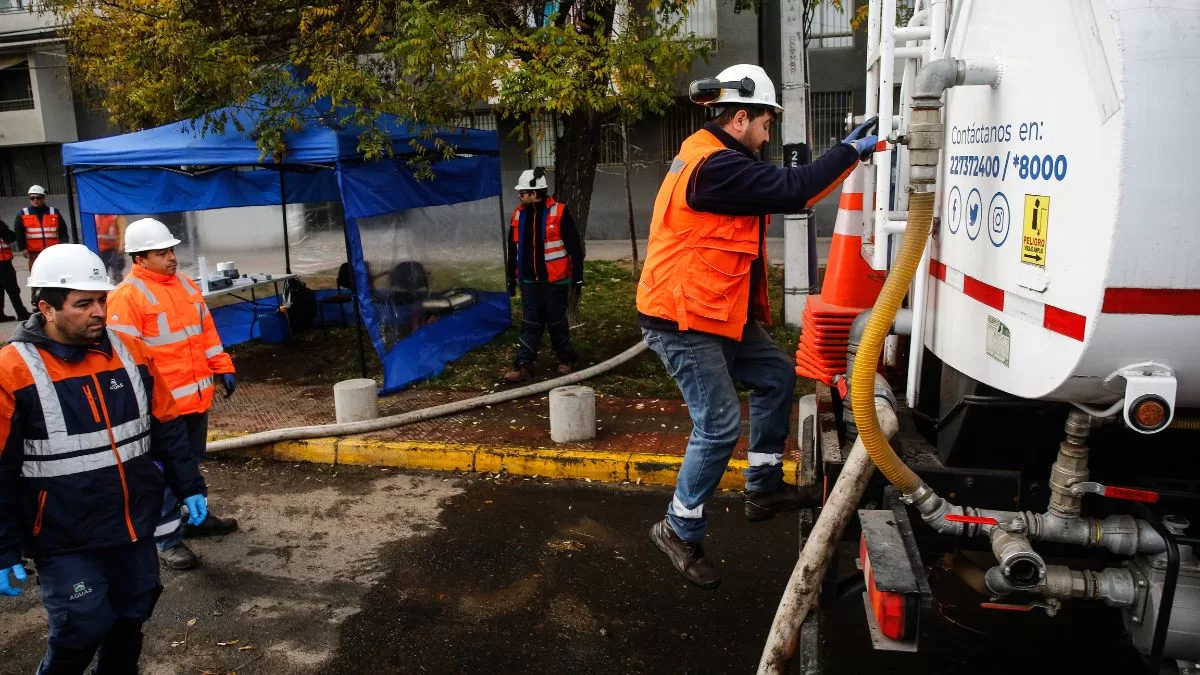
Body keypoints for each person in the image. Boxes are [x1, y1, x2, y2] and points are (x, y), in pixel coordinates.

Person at [637, 63, 879, 589]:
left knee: (775, 374)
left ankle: (763, 485)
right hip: (683, 318)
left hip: (713, 311)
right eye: (766, 121)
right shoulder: (715, 166)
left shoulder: (716, 159)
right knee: (719, 423)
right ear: (740, 117)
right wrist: (850, 152)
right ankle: (678, 529)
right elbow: (795, 191)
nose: (770, 131)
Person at [0, 244, 209, 674]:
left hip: (132, 524)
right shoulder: (12, 370)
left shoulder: (131, 351)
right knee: (83, 624)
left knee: (133, 613)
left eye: (102, 300)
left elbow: (167, 425)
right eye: (84, 303)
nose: (99, 312)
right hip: (64, 536)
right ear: (46, 308)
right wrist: (2, 547)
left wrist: (190, 485)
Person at [106, 218, 238, 571]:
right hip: (160, 410)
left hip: (195, 400)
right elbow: (122, 360)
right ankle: (167, 540)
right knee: (162, 472)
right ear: (139, 258)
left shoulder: (183, 285)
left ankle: (194, 518)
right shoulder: (126, 297)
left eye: (171, 250)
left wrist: (222, 365)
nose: (171, 257)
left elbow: (205, 333)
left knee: (189, 463)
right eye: (161, 252)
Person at [503, 167, 585, 383]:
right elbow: (513, 248)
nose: (519, 195)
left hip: (554, 279)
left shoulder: (559, 212)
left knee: (556, 321)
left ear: (534, 193)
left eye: (522, 192)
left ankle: (566, 359)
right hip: (528, 280)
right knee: (530, 322)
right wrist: (511, 276)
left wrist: (578, 275)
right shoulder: (518, 214)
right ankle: (524, 365)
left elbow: (575, 247)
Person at [14, 185, 68, 270]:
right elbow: (19, 232)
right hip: (34, 252)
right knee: (36, 274)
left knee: (55, 272)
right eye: (32, 198)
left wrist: (64, 245)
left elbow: (63, 230)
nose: (35, 200)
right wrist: (23, 248)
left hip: (53, 251)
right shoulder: (23, 213)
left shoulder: (54, 212)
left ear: (43, 198)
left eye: (38, 198)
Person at [0, 217, 31, 322]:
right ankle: (21, 313)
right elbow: (10, 237)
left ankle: (0, 315)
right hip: (2, 262)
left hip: (3, 260)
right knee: (12, 289)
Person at [95, 214, 127, 283]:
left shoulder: (117, 216)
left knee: (117, 273)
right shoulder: (96, 216)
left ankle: (119, 290)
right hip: (101, 250)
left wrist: (122, 245)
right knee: (101, 274)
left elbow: (122, 230)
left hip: (115, 249)